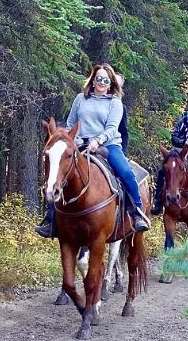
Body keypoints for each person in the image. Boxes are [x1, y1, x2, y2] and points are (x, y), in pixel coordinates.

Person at [35, 64, 149, 238]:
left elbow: (112, 128)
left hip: (108, 145)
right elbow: (71, 122)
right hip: (80, 143)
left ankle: (137, 212)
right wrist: (66, 138)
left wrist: (98, 140)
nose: (102, 82)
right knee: (58, 172)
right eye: (99, 79)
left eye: (106, 80)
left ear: (111, 83)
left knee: (126, 172)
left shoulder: (115, 102)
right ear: (93, 80)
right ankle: (51, 220)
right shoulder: (80, 99)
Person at [115, 73, 129, 155]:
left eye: (118, 85)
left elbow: (123, 132)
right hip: (86, 141)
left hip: (111, 144)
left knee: (125, 168)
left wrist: (123, 152)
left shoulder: (121, 108)